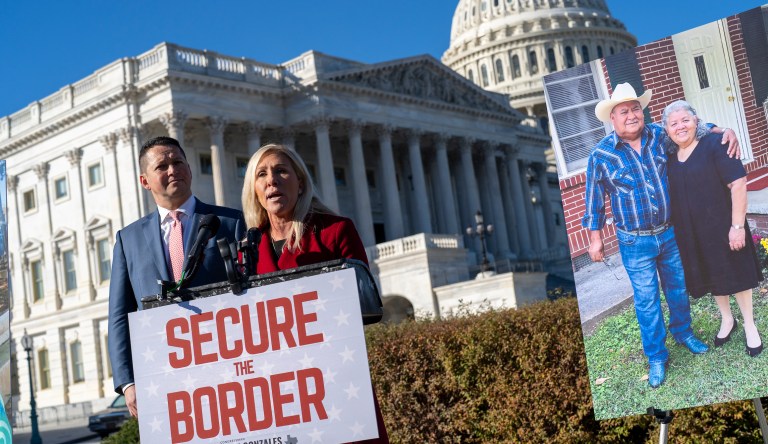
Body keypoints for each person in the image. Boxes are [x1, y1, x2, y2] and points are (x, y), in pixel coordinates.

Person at [583, 83, 739, 388]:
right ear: (612, 119)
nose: (632, 116)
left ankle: (684, 333)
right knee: (646, 300)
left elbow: (695, 126)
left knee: (678, 289)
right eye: (624, 111)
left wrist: (725, 129)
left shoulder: (659, 134)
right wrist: (595, 238)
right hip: (634, 241)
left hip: (669, 233)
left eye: (635, 109)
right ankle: (656, 356)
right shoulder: (600, 155)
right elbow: (593, 201)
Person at [241, 143, 389, 443]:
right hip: (279, 388)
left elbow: (363, 303)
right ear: (254, 189)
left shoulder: (335, 231)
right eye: (262, 174)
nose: (272, 180)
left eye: (282, 171)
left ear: (301, 181)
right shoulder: (249, 247)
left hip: (334, 379)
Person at [108, 136, 245, 417]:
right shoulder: (128, 239)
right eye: (162, 166)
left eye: (178, 162)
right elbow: (120, 314)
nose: (173, 170)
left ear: (189, 169)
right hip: (162, 371)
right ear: (145, 181)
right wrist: (127, 382)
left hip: (227, 364)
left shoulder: (231, 223)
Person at [663, 100, 763, 357]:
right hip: (693, 233)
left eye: (685, 120)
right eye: (673, 123)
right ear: (666, 129)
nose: (680, 126)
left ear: (697, 121)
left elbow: (739, 184)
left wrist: (737, 226)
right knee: (712, 274)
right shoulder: (669, 156)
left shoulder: (715, 145)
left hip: (724, 226)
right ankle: (727, 320)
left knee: (737, 274)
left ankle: (750, 326)